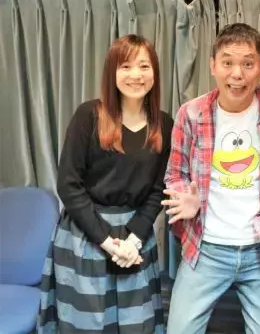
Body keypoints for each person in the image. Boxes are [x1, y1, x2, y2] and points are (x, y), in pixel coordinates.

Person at [162, 23, 260, 334]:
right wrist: (184, 199)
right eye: (227, 62)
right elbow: (175, 175)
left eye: (247, 64)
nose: (237, 74)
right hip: (205, 248)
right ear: (213, 65)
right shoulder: (191, 114)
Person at [38, 34, 173, 333]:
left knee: (138, 324)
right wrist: (107, 242)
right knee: (86, 324)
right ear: (112, 72)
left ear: (155, 72)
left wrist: (133, 240)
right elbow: (69, 185)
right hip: (86, 236)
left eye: (144, 66)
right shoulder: (89, 115)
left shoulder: (164, 124)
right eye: (125, 66)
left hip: (135, 237)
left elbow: (158, 190)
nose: (136, 75)